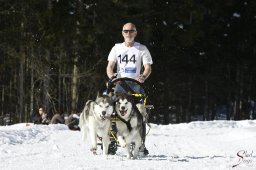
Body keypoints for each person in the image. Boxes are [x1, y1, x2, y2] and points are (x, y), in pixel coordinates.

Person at [106, 22, 153, 155]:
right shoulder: (116, 49)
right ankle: (111, 140)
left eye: (131, 31)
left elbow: (148, 67)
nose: (128, 33)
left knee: (140, 113)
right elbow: (110, 66)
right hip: (120, 84)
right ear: (122, 33)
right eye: (126, 31)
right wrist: (112, 78)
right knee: (112, 111)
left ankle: (141, 143)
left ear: (135, 33)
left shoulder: (142, 48)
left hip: (136, 84)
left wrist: (143, 76)